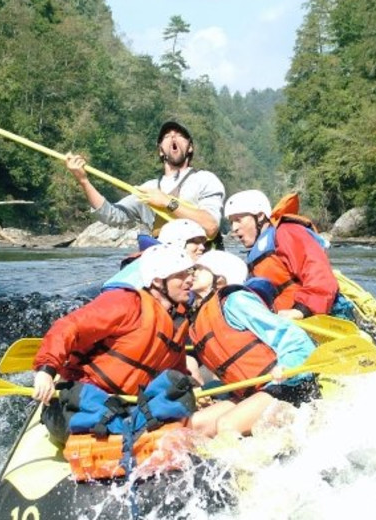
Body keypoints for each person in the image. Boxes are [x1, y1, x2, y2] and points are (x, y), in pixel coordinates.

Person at [32, 244, 195, 424]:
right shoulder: (126, 302)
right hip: (84, 398)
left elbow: (176, 369)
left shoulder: (177, 320)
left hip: (128, 404)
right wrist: (46, 371)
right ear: (157, 281)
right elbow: (68, 327)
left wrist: (189, 390)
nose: (190, 280)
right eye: (181, 275)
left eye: (190, 273)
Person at [186, 250, 320, 437]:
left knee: (227, 425)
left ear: (221, 280)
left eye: (200, 269)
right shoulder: (197, 319)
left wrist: (287, 365)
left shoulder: (236, 301)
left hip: (287, 384)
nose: (193, 273)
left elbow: (293, 338)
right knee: (194, 426)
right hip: (250, 392)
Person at [65, 121, 225, 243]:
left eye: (180, 135)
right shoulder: (148, 189)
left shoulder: (205, 180)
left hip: (198, 262)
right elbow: (111, 215)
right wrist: (84, 181)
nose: (173, 137)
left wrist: (167, 202)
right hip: (163, 263)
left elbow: (210, 227)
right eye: (167, 136)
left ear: (190, 147)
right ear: (160, 150)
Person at [224, 189, 340, 321]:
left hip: (309, 316)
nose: (234, 228)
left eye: (238, 220)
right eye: (231, 222)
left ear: (260, 216)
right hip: (281, 321)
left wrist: (301, 310)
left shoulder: (287, 232)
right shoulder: (257, 253)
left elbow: (320, 275)